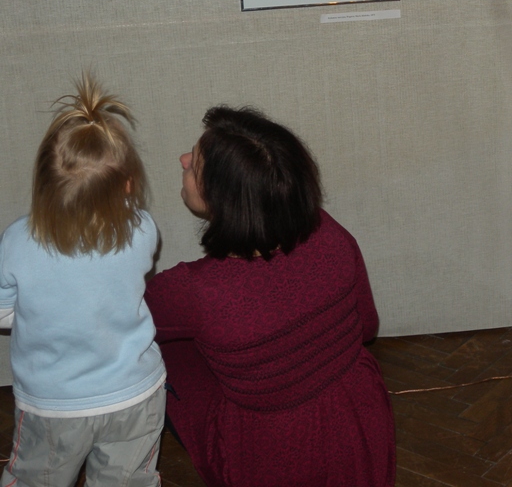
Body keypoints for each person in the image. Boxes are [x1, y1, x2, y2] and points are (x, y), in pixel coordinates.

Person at [145, 106, 396, 487]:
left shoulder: (193, 290)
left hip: (270, 454)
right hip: (359, 429)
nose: (182, 159)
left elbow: (112, 317)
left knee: (154, 349)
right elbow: (366, 326)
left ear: (223, 200)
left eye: (194, 165)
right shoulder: (330, 232)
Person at [0, 74, 166, 486]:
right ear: (128, 184)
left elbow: (3, 311)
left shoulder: (19, 239)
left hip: (54, 406)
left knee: (38, 479)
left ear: (44, 185)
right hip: (137, 393)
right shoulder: (143, 228)